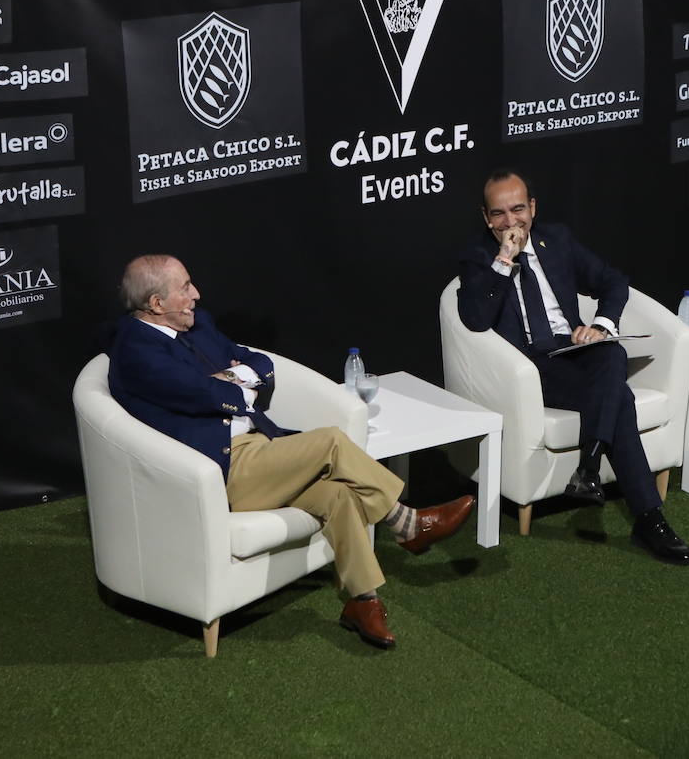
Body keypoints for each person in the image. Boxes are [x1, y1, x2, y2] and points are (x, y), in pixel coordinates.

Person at [107, 254, 475, 649]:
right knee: (331, 441)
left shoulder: (199, 324)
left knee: (338, 493)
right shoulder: (137, 352)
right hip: (221, 469)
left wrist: (233, 377)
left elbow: (259, 364)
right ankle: (407, 522)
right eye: (184, 288)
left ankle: (362, 602)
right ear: (156, 304)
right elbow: (204, 393)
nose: (196, 294)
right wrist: (229, 383)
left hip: (260, 447)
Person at [457, 169, 689, 565]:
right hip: (529, 370)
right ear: (486, 218)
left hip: (571, 353)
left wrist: (601, 325)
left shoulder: (558, 240)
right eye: (499, 214)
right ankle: (648, 520)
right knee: (618, 394)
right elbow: (476, 318)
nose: (510, 222)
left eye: (518, 209)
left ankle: (589, 466)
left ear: (532, 208)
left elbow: (613, 281)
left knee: (611, 352)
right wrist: (504, 261)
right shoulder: (478, 257)